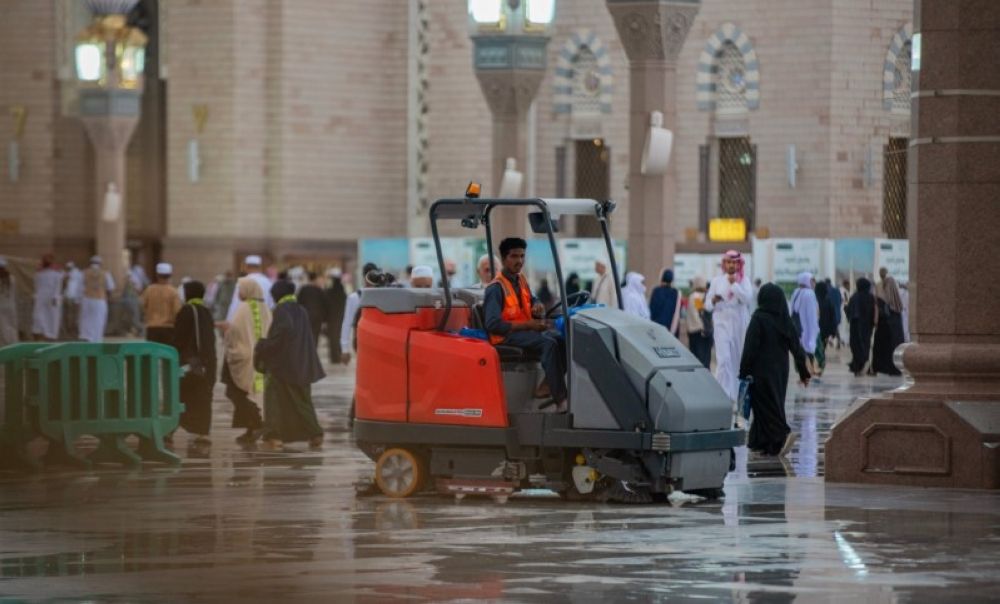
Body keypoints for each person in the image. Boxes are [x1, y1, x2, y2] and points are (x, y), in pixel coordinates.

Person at [484, 237, 567, 409]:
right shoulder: (495, 288)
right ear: (504, 258)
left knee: (564, 339)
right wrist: (529, 325)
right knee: (549, 344)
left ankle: (546, 385)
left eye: (522, 256)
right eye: (514, 256)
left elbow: (532, 299)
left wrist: (537, 305)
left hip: (525, 332)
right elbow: (492, 324)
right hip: (505, 337)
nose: (519, 261)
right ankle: (561, 400)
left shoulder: (520, 280)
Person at [739, 283, 811, 457]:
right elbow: (797, 348)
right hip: (780, 370)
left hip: (760, 370)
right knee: (774, 402)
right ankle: (762, 442)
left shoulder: (759, 318)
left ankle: (783, 434)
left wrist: (743, 371)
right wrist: (803, 373)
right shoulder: (784, 319)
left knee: (765, 406)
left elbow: (750, 347)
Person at [254, 280, 326, 449]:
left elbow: (282, 334)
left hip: (285, 365)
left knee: (273, 399)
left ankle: (274, 436)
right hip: (303, 363)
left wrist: (263, 345)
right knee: (302, 401)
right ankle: (315, 434)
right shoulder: (301, 310)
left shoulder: (281, 310)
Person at [223, 278, 273, 444]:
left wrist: (228, 341)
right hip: (261, 359)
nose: (238, 293)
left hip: (243, 357)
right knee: (253, 393)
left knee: (236, 392)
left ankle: (257, 423)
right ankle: (252, 427)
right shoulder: (265, 308)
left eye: (241, 290)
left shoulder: (243, 308)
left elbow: (233, 331)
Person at [705, 250, 753, 403]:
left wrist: (735, 286)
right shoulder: (716, 281)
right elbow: (707, 305)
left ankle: (735, 395)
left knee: (737, 361)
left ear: (739, 264)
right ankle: (721, 395)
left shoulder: (744, 280)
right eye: (729, 262)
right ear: (724, 263)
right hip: (721, 323)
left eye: (734, 262)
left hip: (738, 323)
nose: (731, 265)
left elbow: (747, 299)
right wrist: (713, 300)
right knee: (724, 359)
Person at [173, 280, 216, 444]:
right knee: (202, 397)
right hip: (206, 362)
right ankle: (202, 432)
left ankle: (170, 429)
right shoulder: (206, 311)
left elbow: (179, 338)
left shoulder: (186, 311)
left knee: (181, 395)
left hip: (189, 363)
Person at [339, 262, 378, 365]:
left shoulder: (354, 297)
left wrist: (345, 349)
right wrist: (344, 349)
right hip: (363, 342)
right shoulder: (355, 297)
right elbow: (347, 323)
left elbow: (346, 323)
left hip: (374, 342)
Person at [871, 268, 905, 376]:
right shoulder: (897, 304)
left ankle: (883, 368)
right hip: (891, 328)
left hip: (884, 325)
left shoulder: (880, 287)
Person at [141, 263, 182, 346]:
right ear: (170, 275)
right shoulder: (173, 291)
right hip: (168, 328)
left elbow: (142, 305)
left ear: (157, 275)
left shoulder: (149, 290)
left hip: (152, 327)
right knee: (167, 356)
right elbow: (177, 311)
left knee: (152, 355)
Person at [226, 255, 274, 322]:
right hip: (264, 320)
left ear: (246, 266)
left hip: (246, 321)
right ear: (260, 267)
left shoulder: (243, 282)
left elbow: (235, 304)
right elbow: (272, 304)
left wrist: (229, 321)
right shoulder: (268, 282)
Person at [790, 272, 820, 375]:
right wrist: (815, 327)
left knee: (802, 348)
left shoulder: (796, 292)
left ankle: (804, 368)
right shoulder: (809, 293)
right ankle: (810, 369)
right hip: (807, 326)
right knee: (809, 346)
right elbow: (812, 314)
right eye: (812, 281)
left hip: (798, 327)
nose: (813, 283)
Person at [78, 256, 113, 343]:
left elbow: (79, 288)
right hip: (100, 300)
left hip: (87, 299)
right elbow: (111, 287)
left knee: (86, 319)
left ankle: (87, 337)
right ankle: (97, 339)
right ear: (100, 264)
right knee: (99, 320)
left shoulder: (84, 272)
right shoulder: (105, 273)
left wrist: (78, 300)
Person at [846, 277, 876, 376]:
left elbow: (849, 311)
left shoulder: (854, 296)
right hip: (866, 326)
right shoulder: (870, 297)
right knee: (865, 345)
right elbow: (872, 312)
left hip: (855, 326)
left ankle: (857, 367)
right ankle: (864, 365)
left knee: (856, 346)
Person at [32, 254, 63, 342]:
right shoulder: (56, 274)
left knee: (42, 318)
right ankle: (49, 337)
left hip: (43, 298)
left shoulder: (38, 274)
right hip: (51, 299)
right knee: (51, 319)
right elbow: (58, 288)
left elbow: (36, 287)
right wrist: (55, 298)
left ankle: (46, 337)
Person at [685, 277, 712, 368]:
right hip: (702, 332)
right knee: (704, 359)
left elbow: (698, 313)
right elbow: (700, 313)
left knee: (697, 358)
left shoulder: (695, 296)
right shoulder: (701, 296)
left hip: (696, 332)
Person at [296, 271, 328, 345]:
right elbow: (324, 304)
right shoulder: (319, 290)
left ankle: (307, 352)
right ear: (316, 279)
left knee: (305, 335)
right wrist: (325, 319)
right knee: (315, 335)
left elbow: (298, 303)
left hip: (305, 316)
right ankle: (313, 352)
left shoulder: (303, 289)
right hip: (317, 316)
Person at [324, 268, 347, 364]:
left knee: (332, 338)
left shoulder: (329, 291)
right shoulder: (342, 292)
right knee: (339, 337)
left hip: (331, 318)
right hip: (341, 317)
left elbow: (325, 304)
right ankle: (339, 356)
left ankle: (334, 357)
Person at [648, 269, 681, 336]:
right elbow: (677, 312)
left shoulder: (656, 291)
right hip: (670, 328)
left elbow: (651, 309)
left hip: (656, 327)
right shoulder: (675, 292)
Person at [61, 261, 83, 340]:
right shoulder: (78, 274)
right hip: (72, 297)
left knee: (72, 315)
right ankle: (72, 332)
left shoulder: (71, 274)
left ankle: (72, 332)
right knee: (73, 315)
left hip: (72, 297)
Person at [0, 257, 17, 346]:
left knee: (3, 328)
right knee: (11, 327)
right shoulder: (12, 278)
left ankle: (4, 347)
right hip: (10, 306)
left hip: (1, 307)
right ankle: (13, 345)